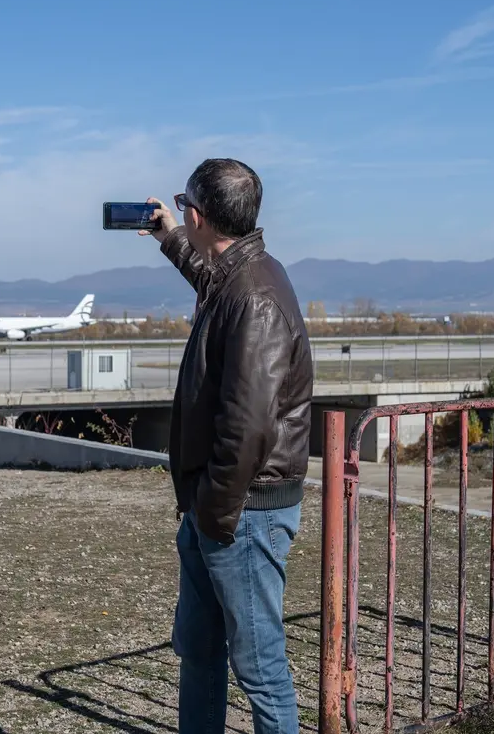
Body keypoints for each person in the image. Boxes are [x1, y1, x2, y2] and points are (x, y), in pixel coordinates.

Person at [140, 158, 313, 734]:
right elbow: (213, 282)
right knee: (200, 650)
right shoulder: (240, 275)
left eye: (182, 206)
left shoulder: (256, 296)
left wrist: (213, 513)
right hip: (217, 506)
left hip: (243, 512)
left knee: (260, 670)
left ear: (199, 214)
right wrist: (169, 238)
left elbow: (248, 426)